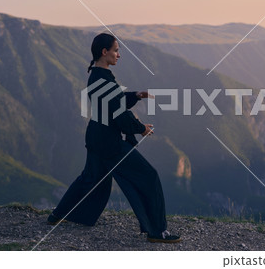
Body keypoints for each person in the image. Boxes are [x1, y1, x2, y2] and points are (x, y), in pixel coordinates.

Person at [47, 33, 181, 243]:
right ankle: (157, 232)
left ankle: (57, 215)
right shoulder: (104, 79)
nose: (119, 55)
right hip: (109, 143)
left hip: (95, 137)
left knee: (89, 178)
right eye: (116, 50)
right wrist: (140, 128)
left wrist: (135, 95)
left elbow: (112, 103)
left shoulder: (96, 75)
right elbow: (118, 113)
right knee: (148, 176)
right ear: (104, 52)